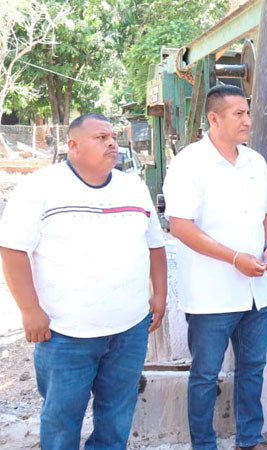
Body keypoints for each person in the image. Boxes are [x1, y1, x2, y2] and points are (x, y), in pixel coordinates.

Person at [0, 113, 167, 449]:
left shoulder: (133, 187)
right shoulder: (41, 187)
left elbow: (155, 246)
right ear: (72, 146)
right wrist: (30, 310)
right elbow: (13, 249)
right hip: (66, 335)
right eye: (100, 138)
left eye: (112, 137)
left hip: (129, 330)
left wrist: (160, 295)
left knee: (116, 416)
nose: (111, 143)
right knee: (62, 420)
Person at [162, 85, 267, 450]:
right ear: (214, 119)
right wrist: (234, 258)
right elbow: (181, 226)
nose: (247, 120)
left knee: (251, 370)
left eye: (247, 113)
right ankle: (204, 444)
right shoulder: (189, 163)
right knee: (204, 375)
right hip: (212, 294)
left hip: (255, 292)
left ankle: (250, 439)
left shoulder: (254, 162)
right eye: (238, 114)